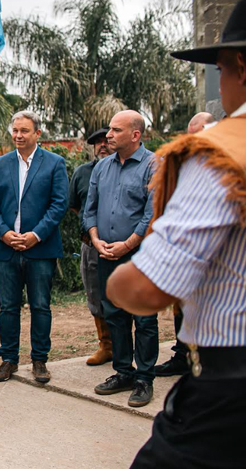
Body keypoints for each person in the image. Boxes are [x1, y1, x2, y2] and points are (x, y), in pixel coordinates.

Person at [107, 0, 246, 468]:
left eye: (220, 70)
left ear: (243, 67)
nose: (221, 83)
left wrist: (118, 277)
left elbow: (148, 289)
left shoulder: (224, 150)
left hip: (237, 390)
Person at [0, 111, 68, 383]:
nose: (18, 136)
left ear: (37, 134)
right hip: (4, 249)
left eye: (24, 131)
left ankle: (39, 360)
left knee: (41, 306)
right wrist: (4, 233)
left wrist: (36, 235)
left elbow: (59, 205)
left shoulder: (55, 164)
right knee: (8, 307)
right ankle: (9, 359)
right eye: (15, 131)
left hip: (40, 249)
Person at [83, 109, 157, 407]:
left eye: (115, 130)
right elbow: (90, 209)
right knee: (114, 314)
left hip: (140, 255)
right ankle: (123, 372)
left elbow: (153, 213)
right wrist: (97, 240)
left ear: (135, 135)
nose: (108, 135)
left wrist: (128, 244)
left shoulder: (154, 165)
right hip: (106, 254)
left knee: (144, 318)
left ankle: (144, 379)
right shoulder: (102, 167)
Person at [155, 110, 215, 378]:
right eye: (191, 136)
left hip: (213, 250)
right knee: (182, 304)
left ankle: (210, 359)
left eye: (200, 134)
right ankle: (182, 355)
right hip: (182, 246)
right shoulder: (182, 162)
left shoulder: (225, 161)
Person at [68, 128, 112, 366]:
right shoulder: (82, 172)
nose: (102, 145)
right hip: (91, 245)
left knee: (125, 295)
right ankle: (106, 345)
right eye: (98, 143)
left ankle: (127, 346)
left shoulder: (126, 169)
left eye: (107, 141)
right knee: (95, 294)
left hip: (123, 244)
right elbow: (75, 205)